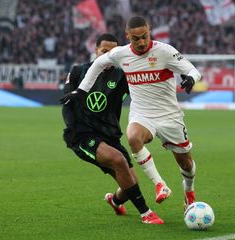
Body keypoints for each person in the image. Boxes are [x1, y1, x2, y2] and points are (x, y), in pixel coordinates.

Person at [60, 16, 202, 210]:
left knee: (186, 165)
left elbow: (192, 70)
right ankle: (160, 185)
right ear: (128, 36)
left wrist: (191, 79)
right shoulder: (121, 54)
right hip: (142, 114)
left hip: (169, 116)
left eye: (145, 36)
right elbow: (98, 64)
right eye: (136, 38)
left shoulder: (165, 51)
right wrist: (82, 90)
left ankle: (189, 193)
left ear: (149, 31)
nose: (142, 42)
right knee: (133, 137)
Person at [60, 33, 163, 224]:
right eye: (105, 51)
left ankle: (115, 201)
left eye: (113, 52)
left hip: (110, 136)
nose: (109, 55)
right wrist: (74, 130)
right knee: (118, 160)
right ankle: (146, 213)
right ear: (96, 51)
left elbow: (143, 88)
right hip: (83, 135)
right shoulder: (78, 71)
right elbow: (67, 102)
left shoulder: (122, 75)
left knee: (131, 184)